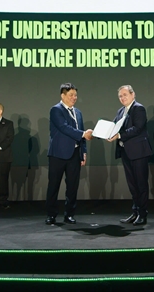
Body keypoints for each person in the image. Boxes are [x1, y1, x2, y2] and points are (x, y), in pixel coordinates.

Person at [45, 83, 93, 225]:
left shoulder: (78, 112)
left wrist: (83, 151)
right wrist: (84, 134)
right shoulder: (56, 110)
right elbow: (64, 128)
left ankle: (69, 214)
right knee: (53, 186)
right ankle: (51, 215)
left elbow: (81, 132)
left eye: (75, 95)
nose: (74, 98)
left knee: (72, 186)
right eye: (71, 95)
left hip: (75, 154)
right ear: (63, 95)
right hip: (58, 155)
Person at [107, 85, 153, 225]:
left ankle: (142, 214)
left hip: (139, 152)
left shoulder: (139, 108)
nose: (122, 98)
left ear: (133, 94)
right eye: (120, 96)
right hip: (126, 152)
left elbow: (137, 128)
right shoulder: (121, 111)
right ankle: (135, 212)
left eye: (125, 95)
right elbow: (113, 126)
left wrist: (119, 135)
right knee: (132, 184)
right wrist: (103, 132)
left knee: (141, 184)